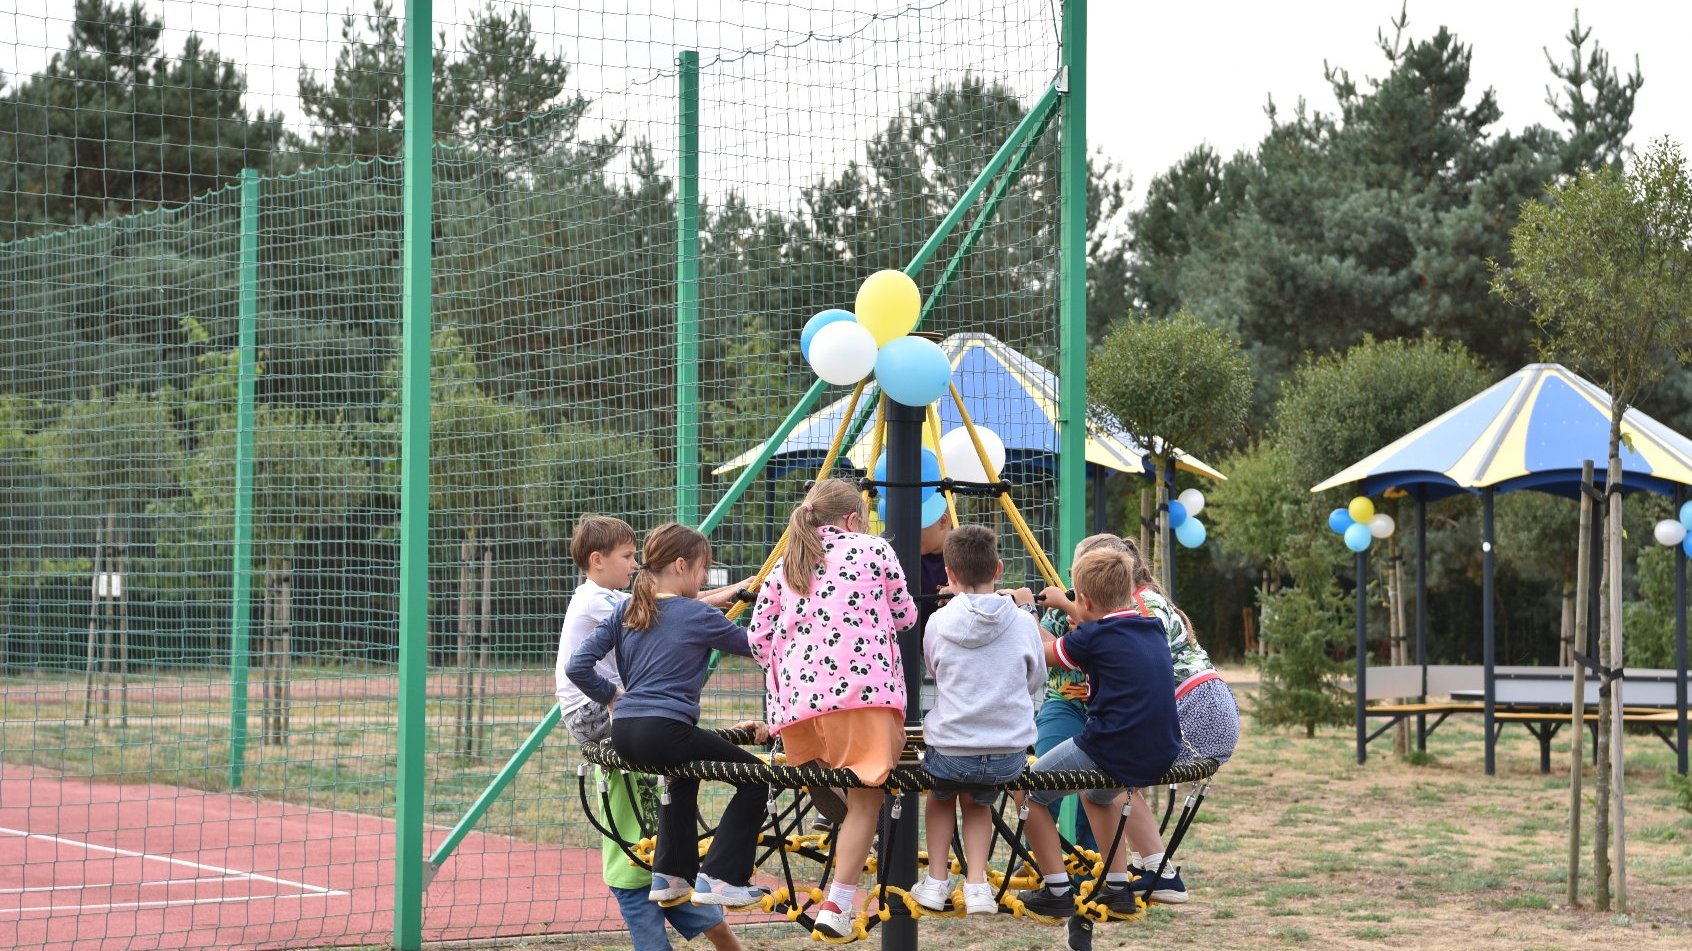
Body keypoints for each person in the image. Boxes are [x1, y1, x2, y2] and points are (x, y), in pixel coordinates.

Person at [553, 516, 748, 951]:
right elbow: (671, 614)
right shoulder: (601, 602)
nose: (634, 563)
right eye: (626, 556)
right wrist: (613, 696)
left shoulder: (620, 602)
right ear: (597, 560)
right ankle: (719, 877)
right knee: (731, 772)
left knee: (681, 770)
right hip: (599, 714)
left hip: (623, 724)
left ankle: (669, 872)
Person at [747, 478, 917, 940]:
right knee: (869, 797)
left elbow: (757, 641)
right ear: (850, 520)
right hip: (864, 696)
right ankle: (837, 904)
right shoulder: (874, 549)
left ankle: (827, 792)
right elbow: (905, 617)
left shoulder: (787, 563)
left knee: (832, 773)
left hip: (798, 707)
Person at [1040, 536, 1239, 905]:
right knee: (1111, 778)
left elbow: (1097, 646)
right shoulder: (1144, 607)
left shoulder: (1142, 608)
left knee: (1121, 763)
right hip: (1212, 706)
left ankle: (1152, 870)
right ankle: (1150, 870)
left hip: (1195, 710)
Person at [1012, 547, 1180, 923]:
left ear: (1083, 599)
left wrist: (1023, 610)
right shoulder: (1148, 626)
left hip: (1110, 745)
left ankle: (1055, 889)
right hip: (1163, 746)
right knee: (1097, 794)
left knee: (1027, 789)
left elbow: (1041, 654)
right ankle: (1117, 886)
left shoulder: (1092, 638)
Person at [908, 524, 1044, 915]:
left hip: (952, 749)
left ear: (949, 576)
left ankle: (935, 880)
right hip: (1007, 753)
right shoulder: (1020, 621)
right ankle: (977, 883)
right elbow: (1035, 678)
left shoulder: (937, 622)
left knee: (941, 794)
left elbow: (933, 666)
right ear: (998, 569)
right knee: (979, 802)